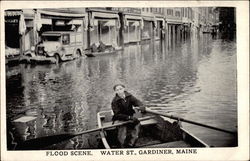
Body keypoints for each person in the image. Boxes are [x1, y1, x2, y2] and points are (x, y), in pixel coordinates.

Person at [111, 84, 145, 148]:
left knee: (137, 124)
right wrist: (129, 117)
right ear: (115, 92)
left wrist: (141, 106)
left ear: (124, 89)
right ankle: (122, 145)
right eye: (117, 90)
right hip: (120, 118)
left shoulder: (129, 96)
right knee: (122, 130)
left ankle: (131, 143)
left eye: (120, 89)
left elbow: (137, 102)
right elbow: (117, 114)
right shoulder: (114, 101)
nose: (119, 91)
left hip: (130, 117)